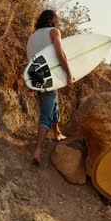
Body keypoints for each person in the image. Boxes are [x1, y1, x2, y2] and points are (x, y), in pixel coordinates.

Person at [26, 10, 73, 165]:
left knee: (54, 102)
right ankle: (38, 151)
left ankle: (57, 132)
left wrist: (31, 83)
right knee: (46, 114)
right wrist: (69, 72)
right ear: (53, 21)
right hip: (49, 77)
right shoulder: (54, 32)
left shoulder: (32, 37)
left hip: (38, 77)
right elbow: (61, 54)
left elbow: (31, 61)